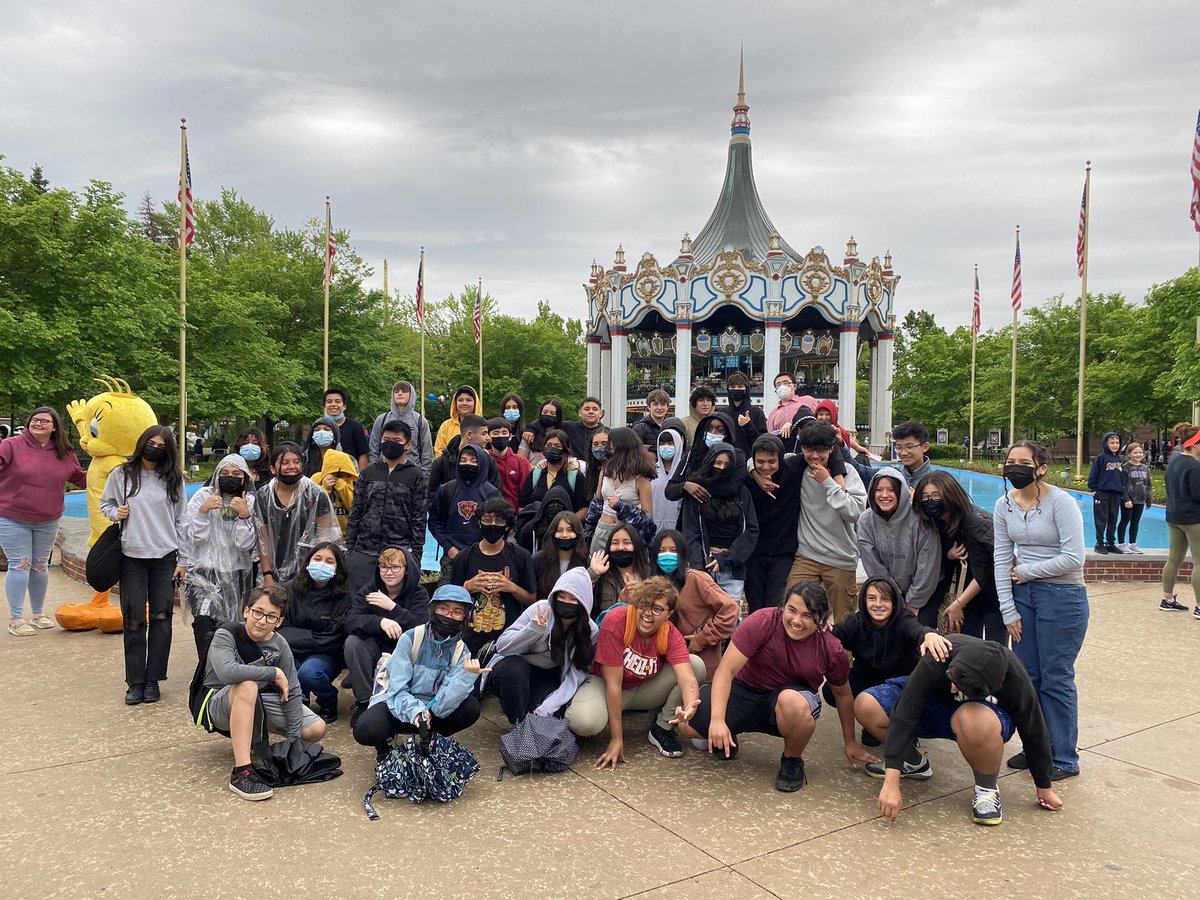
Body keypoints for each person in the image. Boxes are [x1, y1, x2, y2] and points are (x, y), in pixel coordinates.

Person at [678, 582, 876, 791]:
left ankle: (792, 760)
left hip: (788, 703)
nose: (797, 621)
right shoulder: (763, 621)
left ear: (821, 619)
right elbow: (726, 671)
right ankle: (728, 736)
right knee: (687, 726)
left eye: (808, 616)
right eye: (792, 610)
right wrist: (718, 720)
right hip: (746, 690)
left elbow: (843, 695)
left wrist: (850, 741)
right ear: (783, 606)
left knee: (792, 702)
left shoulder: (830, 647)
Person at [857, 634, 1063, 827]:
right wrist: (892, 783)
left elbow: (1034, 729)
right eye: (953, 679)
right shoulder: (941, 651)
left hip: (977, 717)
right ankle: (911, 762)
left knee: (973, 718)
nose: (953, 688)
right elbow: (905, 711)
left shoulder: (1014, 678)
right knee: (867, 705)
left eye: (960, 686)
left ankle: (986, 789)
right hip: (932, 705)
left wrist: (1044, 786)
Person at [993, 440, 1087, 780]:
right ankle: (1036, 748)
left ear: (1041, 468)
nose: (1014, 466)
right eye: (1010, 460)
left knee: (1056, 677)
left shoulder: (1062, 503)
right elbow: (1002, 557)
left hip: (1062, 597)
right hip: (1022, 599)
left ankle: (1063, 757)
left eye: (1023, 461)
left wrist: (1027, 572)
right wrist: (1008, 610)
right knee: (1027, 677)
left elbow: (1075, 557)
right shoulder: (1004, 504)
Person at [195, 584, 327, 801]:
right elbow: (228, 673)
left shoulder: (279, 644)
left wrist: (292, 744)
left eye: (271, 617)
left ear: (280, 621)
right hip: (219, 702)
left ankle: (252, 733)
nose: (262, 620)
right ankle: (241, 773)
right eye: (258, 612)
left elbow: (292, 690)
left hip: (259, 701)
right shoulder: (226, 634)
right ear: (246, 611)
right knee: (247, 685)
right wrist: (273, 672)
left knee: (315, 729)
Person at [566, 577, 704, 766]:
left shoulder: (670, 633)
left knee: (695, 664)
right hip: (605, 685)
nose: (648, 613)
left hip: (642, 689)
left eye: (657, 608)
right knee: (583, 722)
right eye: (644, 604)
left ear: (669, 614)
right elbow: (613, 685)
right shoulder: (616, 620)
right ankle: (581, 707)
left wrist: (689, 708)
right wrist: (617, 739)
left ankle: (662, 727)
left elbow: (687, 678)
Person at [99, 425, 189, 705]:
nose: (155, 448)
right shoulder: (122, 474)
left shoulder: (173, 479)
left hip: (164, 556)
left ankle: (154, 678)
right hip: (132, 556)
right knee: (134, 619)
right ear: (142, 443)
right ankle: (135, 680)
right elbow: (105, 504)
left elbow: (181, 521)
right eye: (151, 443)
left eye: (162, 445)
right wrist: (116, 512)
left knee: (162, 619)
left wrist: (183, 559)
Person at [352, 585, 483, 759]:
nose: (448, 616)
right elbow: (397, 689)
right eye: (443, 608)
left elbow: (443, 706)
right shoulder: (411, 638)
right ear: (432, 610)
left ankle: (429, 736)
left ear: (465, 617)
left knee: (471, 708)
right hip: (398, 704)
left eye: (457, 612)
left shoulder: (462, 651)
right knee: (366, 729)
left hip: (431, 710)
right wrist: (415, 710)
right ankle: (385, 742)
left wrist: (467, 677)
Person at [0, 406, 87, 636]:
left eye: (44, 421)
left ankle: (38, 614)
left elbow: (81, 479)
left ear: (54, 426)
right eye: (35, 420)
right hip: (12, 517)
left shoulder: (64, 452)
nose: (38, 423)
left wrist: (108, 471)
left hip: (48, 519)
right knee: (20, 564)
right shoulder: (10, 446)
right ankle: (16, 619)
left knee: (40, 566)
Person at [827, 577, 951, 729]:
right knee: (830, 690)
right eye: (872, 598)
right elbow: (834, 633)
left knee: (915, 697)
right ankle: (870, 717)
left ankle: (901, 727)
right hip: (868, 676)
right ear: (864, 602)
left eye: (884, 599)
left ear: (893, 603)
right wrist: (823, 627)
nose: (878, 604)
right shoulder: (856, 622)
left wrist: (929, 634)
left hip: (900, 680)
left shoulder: (903, 619)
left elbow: (916, 630)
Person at [484, 567, 598, 723]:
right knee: (514, 670)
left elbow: (577, 674)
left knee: (551, 716)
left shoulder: (590, 630)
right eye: (562, 596)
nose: (565, 602)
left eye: (573, 599)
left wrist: (548, 706)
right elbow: (503, 647)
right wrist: (533, 630)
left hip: (547, 674)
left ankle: (522, 710)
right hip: (512, 665)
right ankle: (519, 723)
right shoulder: (541, 609)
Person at [786, 421, 867, 623]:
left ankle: (843, 656)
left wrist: (829, 482)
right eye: (809, 449)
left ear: (831, 449)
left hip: (841, 558)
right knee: (791, 611)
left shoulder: (847, 472)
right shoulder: (797, 469)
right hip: (807, 555)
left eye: (821, 450)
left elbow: (856, 512)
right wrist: (755, 472)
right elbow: (760, 456)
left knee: (844, 624)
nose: (814, 456)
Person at [342, 546, 429, 726]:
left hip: (406, 651)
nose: (388, 572)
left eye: (395, 567)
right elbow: (351, 621)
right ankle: (365, 703)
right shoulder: (370, 589)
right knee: (353, 643)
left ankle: (408, 701)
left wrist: (393, 608)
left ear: (406, 570)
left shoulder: (418, 592)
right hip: (376, 647)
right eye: (384, 567)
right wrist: (380, 622)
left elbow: (421, 627)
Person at [914, 471, 1004, 643]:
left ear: (950, 494)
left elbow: (986, 571)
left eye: (935, 495)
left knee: (996, 651)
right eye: (925, 497)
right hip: (968, 600)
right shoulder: (938, 522)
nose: (930, 501)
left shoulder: (975, 522)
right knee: (967, 649)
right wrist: (948, 554)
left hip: (992, 597)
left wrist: (958, 604)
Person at [184, 453, 258, 657]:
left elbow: (245, 545)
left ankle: (226, 667)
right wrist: (203, 511)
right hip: (203, 573)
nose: (230, 477)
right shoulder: (202, 496)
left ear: (244, 478)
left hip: (235, 574)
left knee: (230, 625)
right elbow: (195, 539)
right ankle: (206, 672)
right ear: (217, 475)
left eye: (236, 473)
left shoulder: (249, 501)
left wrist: (244, 515)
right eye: (224, 473)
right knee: (204, 621)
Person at [344, 419, 427, 591]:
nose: (390, 444)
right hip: (363, 552)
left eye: (396, 441)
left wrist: (416, 557)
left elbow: (419, 519)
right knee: (359, 603)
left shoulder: (416, 476)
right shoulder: (368, 473)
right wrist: (350, 550)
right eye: (386, 440)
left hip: (399, 552)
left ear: (407, 445)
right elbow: (356, 512)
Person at [856, 466, 942, 627]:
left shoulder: (920, 519)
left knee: (920, 636)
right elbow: (874, 566)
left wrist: (913, 603)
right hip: (888, 592)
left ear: (901, 492)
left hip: (924, 593)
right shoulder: (865, 522)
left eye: (891, 490)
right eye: (879, 490)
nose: (884, 495)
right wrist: (895, 599)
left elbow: (928, 566)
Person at [451, 497, 537, 656]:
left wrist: (511, 587)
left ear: (508, 526)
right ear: (479, 522)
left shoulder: (520, 556)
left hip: (507, 640)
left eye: (499, 521)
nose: (493, 525)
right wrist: (468, 587)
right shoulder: (464, 557)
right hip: (470, 639)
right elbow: (449, 598)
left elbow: (531, 598)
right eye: (487, 519)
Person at [650, 530, 738, 683]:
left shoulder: (696, 579)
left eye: (673, 550)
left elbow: (730, 610)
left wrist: (702, 638)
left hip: (703, 670)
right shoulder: (652, 585)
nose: (667, 556)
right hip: (666, 671)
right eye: (662, 551)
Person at [278, 542, 352, 723]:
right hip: (292, 652)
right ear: (308, 562)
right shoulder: (289, 590)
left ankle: (328, 699)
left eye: (329, 561)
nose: (322, 564)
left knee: (309, 673)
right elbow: (280, 630)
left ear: (338, 567)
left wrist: (298, 636)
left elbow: (334, 636)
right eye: (317, 559)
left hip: (326, 655)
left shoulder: (345, 596)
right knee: (287, 666)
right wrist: (313, 637)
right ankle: (299, 695)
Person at [680, 441, 758, 602]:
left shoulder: (741, 492)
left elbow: (751, 529)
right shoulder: (698, 490)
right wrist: (699, 566)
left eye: (726, 464)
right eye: (717, 463)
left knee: (731, 618)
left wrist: (727, 558)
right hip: (703, 563)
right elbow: (690, 531)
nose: (721, 468)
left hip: (732, 565)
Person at [256, 441, 342, 588]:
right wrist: (267, 575)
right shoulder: (264, 495)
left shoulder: (315, 493)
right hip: (274, 568)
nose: (292, 467)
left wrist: (317, 571)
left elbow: (325, 536)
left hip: (309, 569)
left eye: (296, 462)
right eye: (285, 462)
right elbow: (263, 539)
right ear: (273, 468)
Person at [428, 443, 501, 582]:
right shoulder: (446, 489)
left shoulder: (491, 492)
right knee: (447, 598)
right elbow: (434, 522)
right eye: (463, 460)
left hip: (483, 556)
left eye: (474, 461)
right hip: (452, 556)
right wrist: (449, 548)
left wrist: (484, 550)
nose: (468, 464)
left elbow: (499, 524)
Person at [585, 426, 655, 553]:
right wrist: (588, 534)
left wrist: (621, 506)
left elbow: (648, 521)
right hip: (602, 530)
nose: (607, 449)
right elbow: (596, 505)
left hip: (626, 535)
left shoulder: (641, 479)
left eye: (610, 444)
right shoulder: (605, 470)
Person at [1159, 422, 1200, 615]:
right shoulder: (1194, 466)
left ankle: (1167, 599)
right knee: (1199, 562)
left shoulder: (1174, 461)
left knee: (1174, 559)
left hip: (1173, 516)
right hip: (1193, 520)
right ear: (1194, 444)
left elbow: (1169, 489)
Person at [663, 410, 738, 505]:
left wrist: (697, 484)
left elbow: (735, 487)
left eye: (720, 430)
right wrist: (685, 486)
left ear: (728, 433)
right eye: (709, 429)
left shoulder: (737, 456)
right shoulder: (692, 455)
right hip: (692, 515)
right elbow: (670, 491)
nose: (713, 433)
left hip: (726, 514)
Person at [302, 416, 358, 535]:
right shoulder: (304, 460)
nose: (321, 432)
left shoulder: (347, 460)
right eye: (317, 430)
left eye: (326, 429)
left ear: (335, 436)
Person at [368, 380, 433, 478]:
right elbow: (374, 448)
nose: (400, 394)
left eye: (404, 391)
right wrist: (374, 471)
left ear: (411, 395)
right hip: (384, 472)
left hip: (411, 473)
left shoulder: (420, 421)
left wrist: (423, 477)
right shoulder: (381, 419)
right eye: (396, 391)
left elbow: (427, 452)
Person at [517, 428, 589, 517]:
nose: (552, 449)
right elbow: (522, 505)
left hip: (564, 528)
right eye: (549, 445)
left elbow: (584, 509)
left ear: (565, 449)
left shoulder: (574, 476)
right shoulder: (535, 474)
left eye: (557, 446)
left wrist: (568, 524)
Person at [427, 414, 500, 499]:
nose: (488, 438)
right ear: (469, 434)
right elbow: (431, 496)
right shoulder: (442, 463)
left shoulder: (490, 462)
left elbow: (496, 499)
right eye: (484, 433)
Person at [591, 522, 652, 617]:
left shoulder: (649, 574)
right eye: (615, 543)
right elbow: (577, 595)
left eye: (626, 543)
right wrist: (593, 573)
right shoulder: (601, 574)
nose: (620, 547)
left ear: (635, 546)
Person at [533, 511, 590, 600]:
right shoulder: (538, 560)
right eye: (559, 530)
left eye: (570, 530)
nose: (564, 535)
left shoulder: (586, 560)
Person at [1087, 431, 1124, 554]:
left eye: (1117, 442)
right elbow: (1094, 474)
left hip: (1116, 493)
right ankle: (1099, 543)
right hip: (1102, 493)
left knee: (1113, 519)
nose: (1115, 445)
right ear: (1106, 444)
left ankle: (1110, 543)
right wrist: (1094, 489)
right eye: (1112, 442)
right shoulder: (1101, 458)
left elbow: (1120, 477)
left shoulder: (1118, 459)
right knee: (1101, 519)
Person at [487, 416, 533, 511]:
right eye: (495, 433)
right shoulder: (485, 460)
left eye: (504, 433)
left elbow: (525, 493)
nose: (500, 436)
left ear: (510, 436)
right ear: (488, 437)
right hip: (489, 515)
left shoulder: (522, 462)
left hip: (514, 514)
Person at [650, 418, 687, 533]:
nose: (666, 447)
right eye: (662, 444)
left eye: (671, 443)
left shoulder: (685, 471)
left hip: (678, 529)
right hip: (653, 529)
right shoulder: (650, 471)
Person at [322, 386, 369, 472]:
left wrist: (360, 478)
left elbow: (362, 454)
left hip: (349, 475)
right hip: (324, 474)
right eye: (329, 402)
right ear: (324, 407)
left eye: (337, 401)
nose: (333, 404)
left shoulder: (355, 426)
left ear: (344, 406)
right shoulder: (319, 426)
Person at [719, 371, 765, 458]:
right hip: (726, 461)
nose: (736, 389)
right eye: (732, 387)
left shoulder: (757, 412)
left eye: (740, 386)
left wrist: (748, 426)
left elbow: (763, 441)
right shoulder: (723, 413)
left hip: (750, 461)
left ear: (746, 388)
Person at [1117, 441, 1152, 554]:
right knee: (1125, 520)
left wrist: (1148, 499)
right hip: (1128, 500)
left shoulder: (1145, 468)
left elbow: (1148, 484)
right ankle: (1121, 543)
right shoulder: (1125, 468)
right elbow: (1122, 485)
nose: (1138, 455)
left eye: (1140, 452)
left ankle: (1133, 544)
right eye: (1135, 452)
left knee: (1135, 522)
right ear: (1129, 454)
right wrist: (1126, 499)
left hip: (1140, 500)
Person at [433, 384, 481, 458]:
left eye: (468, 400)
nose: (464, 403)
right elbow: (439, 451)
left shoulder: (482, 426)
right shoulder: (446, 426)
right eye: (460, 400)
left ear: (475, 403)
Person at [522, 399, 564, 466]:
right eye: (545, 412)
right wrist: (538, 469)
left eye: (552, 413)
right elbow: (520, 460)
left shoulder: (563, 436)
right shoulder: (530, 435)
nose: (548, 415)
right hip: (532, 472)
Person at [891, 421, 933, 488]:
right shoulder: (894, 475)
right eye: (899, 448)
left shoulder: (936, 480)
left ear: (925, 447)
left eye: (909, 447)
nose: (903, 453)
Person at [765, 373, 802, 438]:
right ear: (776, 391)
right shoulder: (773, 413)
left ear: (795, 386)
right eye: (778, 385)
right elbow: (771, 437)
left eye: (786, 383)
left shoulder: (807, 401)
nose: (782, 387)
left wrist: (792, 424)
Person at [498, 393, 531, 458]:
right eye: (507, 407)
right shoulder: (496, 431)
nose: (511, 410)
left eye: (515, 407)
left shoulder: (526, 432)